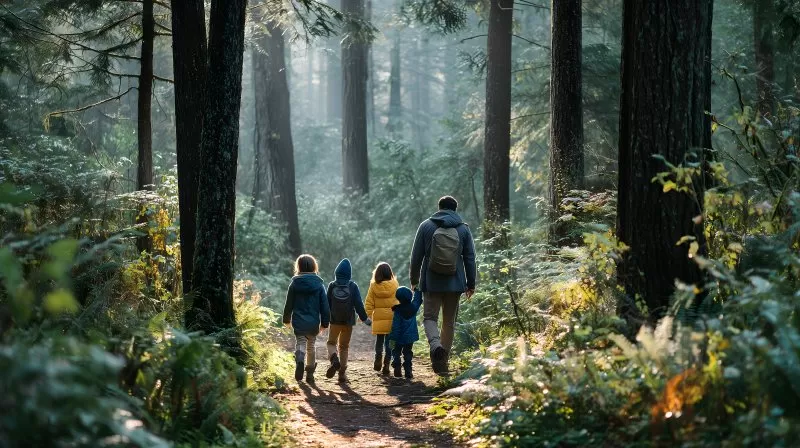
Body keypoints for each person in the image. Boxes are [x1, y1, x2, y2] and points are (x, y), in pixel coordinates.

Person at [409, 195, 476, 374]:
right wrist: (471, 284)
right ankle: (442, 363)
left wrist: (414, 280)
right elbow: (470, 258)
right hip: (455, 283)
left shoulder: (426, 226)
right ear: (455, 209)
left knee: (430, 318)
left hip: (431, 282)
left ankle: (435, 346)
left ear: (439, 208)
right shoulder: (463, 229)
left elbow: (416, 256)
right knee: (449, 323)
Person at [282, 254, 330, 384]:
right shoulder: (319, 285)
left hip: (298, 321)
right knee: (311, 346)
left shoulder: (294, 284)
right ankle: (310, 374)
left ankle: (299, 360)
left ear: (299, 267)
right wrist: (325, 323)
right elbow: (324, 306)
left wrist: (286, 320)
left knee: (301, 343)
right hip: (313, 322)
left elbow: (289, 304)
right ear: (314, 266)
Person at [325, 258, 371, 382]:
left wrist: (324, 319)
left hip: (334, 321)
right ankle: (342, 374)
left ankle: (334, 359)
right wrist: (365, 319)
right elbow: (358, 304)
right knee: (344, 346)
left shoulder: (331, 285)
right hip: (347, 322)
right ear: (349, 274)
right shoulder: (352, 286)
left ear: (336, 273)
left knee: (331, 343)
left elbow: (326, 304)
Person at [364, 262, 400, 375]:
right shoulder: (395, 285)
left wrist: (367, 315)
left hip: (379, 318)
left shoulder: (373, 286)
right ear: (390, 273)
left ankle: (378, 358)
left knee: (379, 341)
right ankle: (387, 364)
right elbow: (398, 301)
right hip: (392, 318)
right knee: (391, 342)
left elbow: (369, 302)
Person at [388, 286, 423, 379]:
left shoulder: (397, 311)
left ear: (398, 298)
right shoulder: (413, 308)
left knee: (395, 351)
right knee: (408, 353)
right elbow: (417, 299)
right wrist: (417, 289)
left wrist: (392, 339)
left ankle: (397, 367)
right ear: (410, 297)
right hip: (410, 337)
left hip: (398, 337)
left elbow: (395, 327)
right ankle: (408, 370)